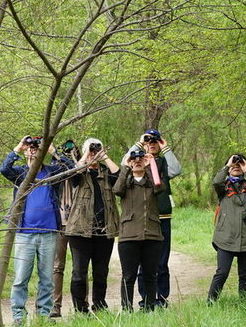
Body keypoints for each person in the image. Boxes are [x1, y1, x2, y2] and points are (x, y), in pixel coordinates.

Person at [0, 135, 72, 326]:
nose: (33, 150)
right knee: (21, 278)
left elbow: (71, 169)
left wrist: (53, 152)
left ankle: (44, 315)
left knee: (46, 278)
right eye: (31, 148)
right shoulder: (21, 174)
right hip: (24, 232)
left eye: (36, 147)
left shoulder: (52, 172)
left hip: (48, 232)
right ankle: (18, 317)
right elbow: (4, 169)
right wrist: (18, 148)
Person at [124, 128, 181, 308]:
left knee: (162, 261)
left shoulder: (163, 162)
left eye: (155, 141)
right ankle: (145, 299)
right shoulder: (137, 162)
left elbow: (176, 170)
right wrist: (139, 144)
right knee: (143, 263)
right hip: (142, 219)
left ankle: (162, 299)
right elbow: (123, 164)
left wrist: (166, 148)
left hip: (162, 216)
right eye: (149, 141)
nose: (152, 144)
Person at [64, 138, 120, 314]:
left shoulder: (106, 173)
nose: (94, 152)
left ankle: (100, 305)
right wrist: (86, 156)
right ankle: (81, 309)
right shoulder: (81, 173)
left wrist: (105, 158)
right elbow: (72, 177)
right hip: (79, 231)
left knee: (101, 272)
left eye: (97, 149)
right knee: (79, 273)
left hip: (104, 231)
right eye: (91, 149)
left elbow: (120, 179)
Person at [113, 149, 166, 311]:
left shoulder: (151, 182)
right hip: (129, 236)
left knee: (150, 275)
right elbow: (116, 190)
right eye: (133, 159)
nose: (137, 161)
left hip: (152, 235)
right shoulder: (126, 183)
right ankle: (126, 309)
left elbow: (160, 187)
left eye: (140, 159)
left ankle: (149, 308)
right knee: (128, 276)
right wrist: (126, 166)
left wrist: (150, 166)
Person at [208, 153, 246, 302]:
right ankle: (210, 303)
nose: (236, 166)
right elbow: (216, 181)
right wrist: (228, 165)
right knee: (222, 272)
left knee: (245, 275)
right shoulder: (223, 187)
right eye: (234, 165)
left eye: (240, 164)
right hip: (225, 237)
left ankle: (244, 304)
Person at [51, 139, 80, 318]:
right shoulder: (53, 170)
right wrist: (56, 157)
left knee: (79, 267)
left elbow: (75, 170)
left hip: (78, 223)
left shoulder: (79, 169)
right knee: (57, 266)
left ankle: (80, 305)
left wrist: (63, 155)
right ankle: (55, 306)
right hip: (59, 223)